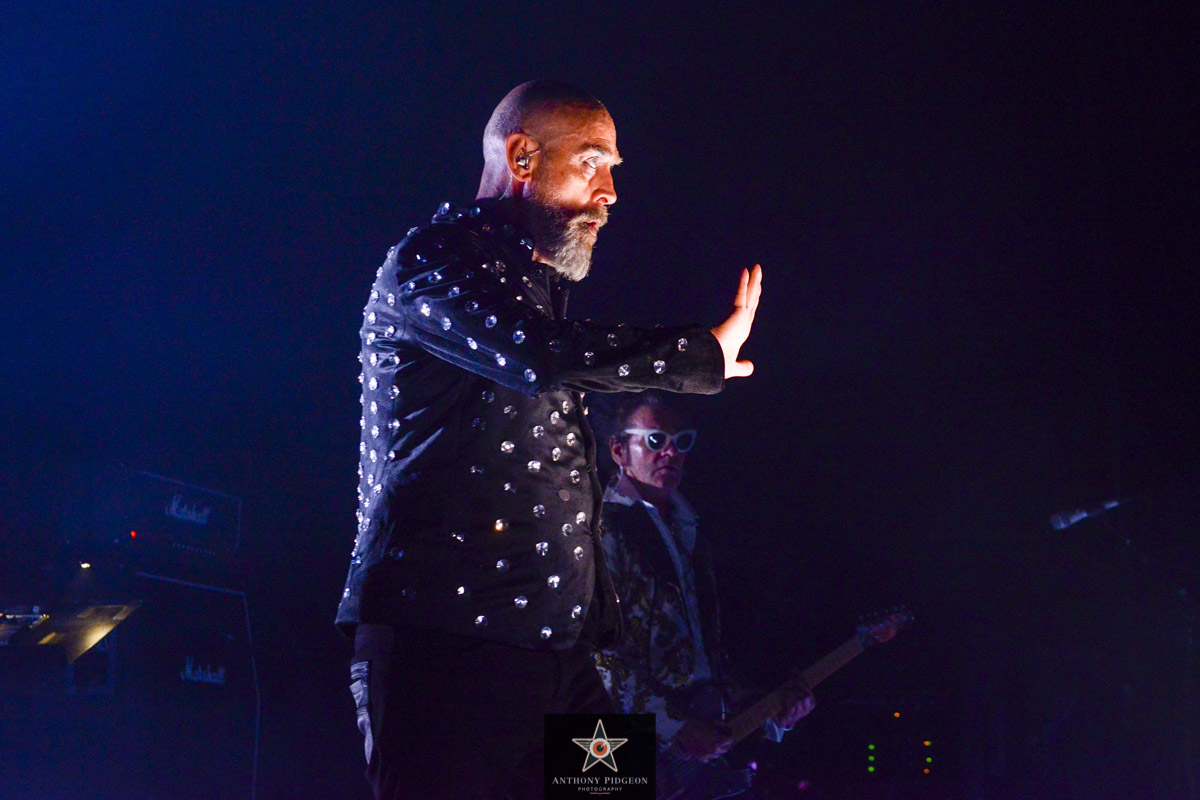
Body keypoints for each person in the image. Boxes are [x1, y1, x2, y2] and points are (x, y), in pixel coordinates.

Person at [336, 80, 764, 800]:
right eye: (591, 163)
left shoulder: (534, 294)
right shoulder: (431, 259)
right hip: (446, 654)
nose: (610, 194)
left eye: (613, 171)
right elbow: (539, 354)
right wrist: (698, 356)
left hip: (562, 664)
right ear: (523, 158)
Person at [595, 393, 814, 784]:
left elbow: (698, 653)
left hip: (679, 754)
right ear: (618, 450)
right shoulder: (596, 528)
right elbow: (588, 650)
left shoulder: (690, 527)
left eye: (682, 442)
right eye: (655, 440)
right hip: (601, 736)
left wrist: (767, 708)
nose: (671, 452)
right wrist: (674, 723)